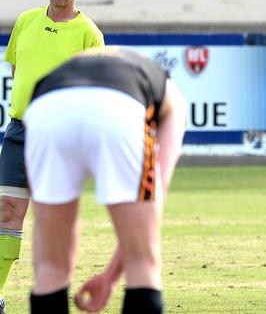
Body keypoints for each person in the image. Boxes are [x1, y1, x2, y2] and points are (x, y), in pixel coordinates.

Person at [0, 0, 104, 314]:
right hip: (21, 130)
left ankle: (53, 294)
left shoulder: (89, 33)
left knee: (54, 218)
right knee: (9, 209)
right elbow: (15, 68)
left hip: (60, 136)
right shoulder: (25, 21)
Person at [24, 47, 186, 314]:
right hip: (120, 107)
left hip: (46, 108)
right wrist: (112, 276)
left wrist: (108, 276)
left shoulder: (73, 66)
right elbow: (157, 192)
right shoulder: (172, 96)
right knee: (143, 263)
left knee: (50, 268)